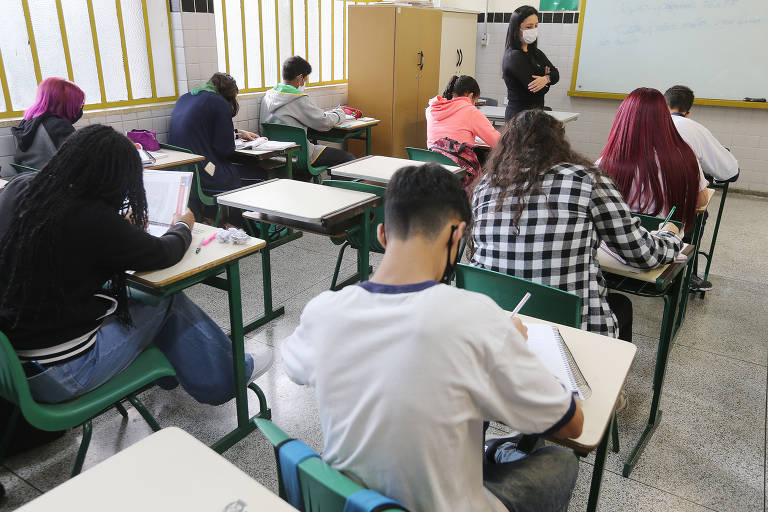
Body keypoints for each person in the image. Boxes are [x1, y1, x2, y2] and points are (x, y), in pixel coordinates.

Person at [282, 163, 583, 512]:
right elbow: (572, 424)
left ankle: (493, 451)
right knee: (562, 463)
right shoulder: (477, 318)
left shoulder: (324, 311)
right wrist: (511, 343)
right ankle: (497, 453)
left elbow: (293, 366)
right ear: (456, 235)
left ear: (382, 235)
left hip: (355, 502)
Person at [0, 125, 271, 405]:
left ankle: (170, 372)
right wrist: (183, 225)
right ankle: (231, 377)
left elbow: (72, 244)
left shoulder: (21, 188)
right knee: (163, 300)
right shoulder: (90, 218)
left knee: (134, 299)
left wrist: (119, 227)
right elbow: (164, 253)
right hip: (64, 373)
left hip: (14, 366)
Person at [471, 110, 683, 342]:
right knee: (620, 304)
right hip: (571, 328)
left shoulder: (485, 186)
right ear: (559, 144)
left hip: (500, 322)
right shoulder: (587, 180)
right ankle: (612, 375)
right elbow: (642, 254)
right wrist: (670, 235)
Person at [597, 87, 709, 234]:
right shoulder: (685, 156)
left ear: (623, 119)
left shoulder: (605, 162)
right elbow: (701, 201)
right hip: (665, 245)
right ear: (666, 118)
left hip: (614, 247)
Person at [665, 85, 737, 291]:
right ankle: (684, 272)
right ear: (689, 111)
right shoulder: (695, 129)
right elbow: (729, 172)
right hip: (674, 210)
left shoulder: (643, 126)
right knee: (697, 213)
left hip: (634, 204)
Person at [169, 72, 263, 196]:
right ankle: (244, 215)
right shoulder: (219, 103)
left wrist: (237, 133)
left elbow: (202, 132)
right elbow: (225, 150)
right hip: (206, 173)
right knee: (260, 175)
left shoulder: (184, 98)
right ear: (230, 96)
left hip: (181, 173)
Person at [260, 56, 354, 169]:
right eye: (305, 79)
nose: (304, 83)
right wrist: (340, 113)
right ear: (300, 78)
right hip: (299, 154)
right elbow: (324, 123)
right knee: (348, 159)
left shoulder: (268, 96)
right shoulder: (297, 98)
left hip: (274, 154)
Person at [426, 75, 501, 187]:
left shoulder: (432, 109)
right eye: (475, 101)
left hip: (432, 170)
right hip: (459, 173)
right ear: (470, 95)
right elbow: (497, 142)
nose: (474, 104)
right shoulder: (469, 111)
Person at [7, 77, 84, 175]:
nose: (79, 109)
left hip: (29, 183)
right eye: (78, 105)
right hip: (53, 184)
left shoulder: (28, 123)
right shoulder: (59, 126)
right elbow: (79, 161)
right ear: (67, 104)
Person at [664, 85, 739, 182]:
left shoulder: (645, 125)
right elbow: (731, 173)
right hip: (678, 192)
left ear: (664, 106)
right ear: (688, 114)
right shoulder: (696, 130)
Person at [502, 6, 559, 121]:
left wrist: (545, 79)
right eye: (529, 27)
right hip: (519, 118)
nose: (533, 30)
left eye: (536, 26)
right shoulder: (514, 56)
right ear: (516, 28)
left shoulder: (536, 53)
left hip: (535, 116)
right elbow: (535, 89)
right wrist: (547, 82)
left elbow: (556, 74)